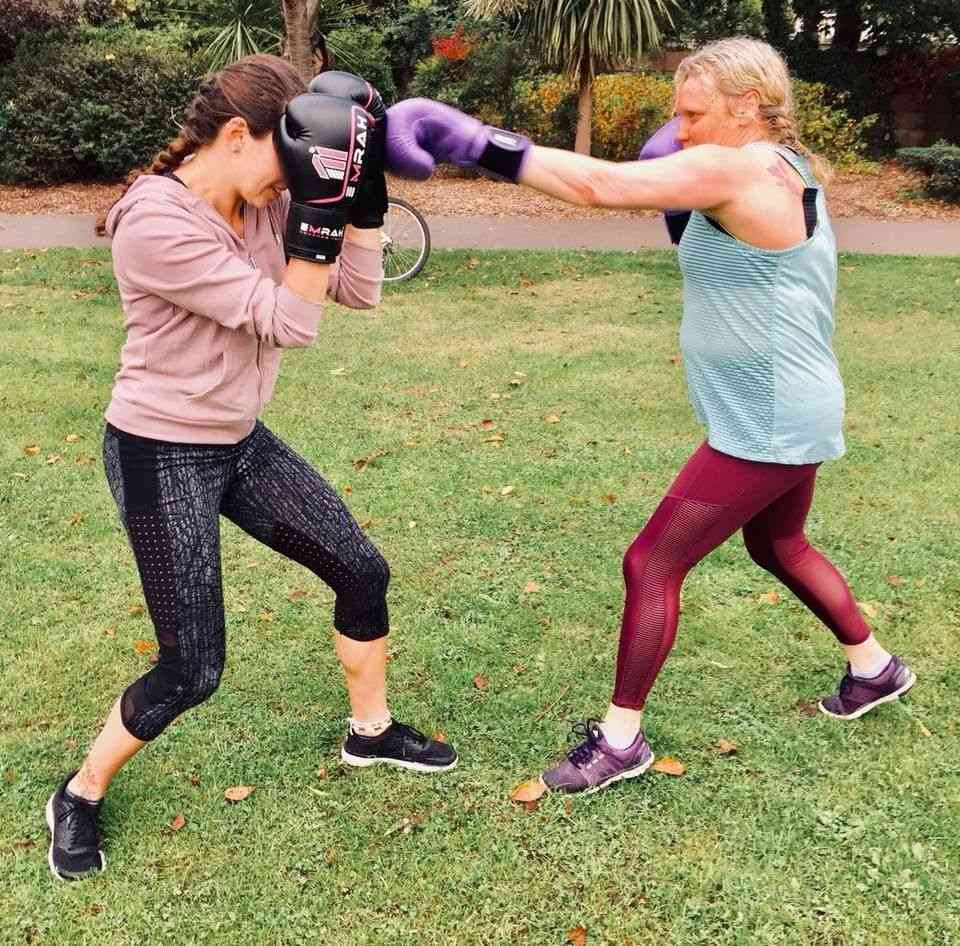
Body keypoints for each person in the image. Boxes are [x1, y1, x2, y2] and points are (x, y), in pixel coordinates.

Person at [382, 37, 915, 795]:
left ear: (747, 106)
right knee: (781, 544)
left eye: (693, 113)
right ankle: (874, 669)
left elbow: (597, 187)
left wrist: (474, 140)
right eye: (678, 113)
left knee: (652, 562)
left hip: (765, 421)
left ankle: (621, 741)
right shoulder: (779, 168)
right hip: (788, 404)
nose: (682, 128)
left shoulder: (737, 164)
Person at [46, 56, 455, 882]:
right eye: (288, 159)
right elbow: (288, 322)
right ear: (237, 136)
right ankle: (80, 793)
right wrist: (316, 211)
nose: (290, 184)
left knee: (360, 569)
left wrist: (361, 198)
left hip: (234, 438)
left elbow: (360, 295)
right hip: (161, 450)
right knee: (192, 667)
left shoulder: (264, 200)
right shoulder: (156, 222)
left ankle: (369, 734)